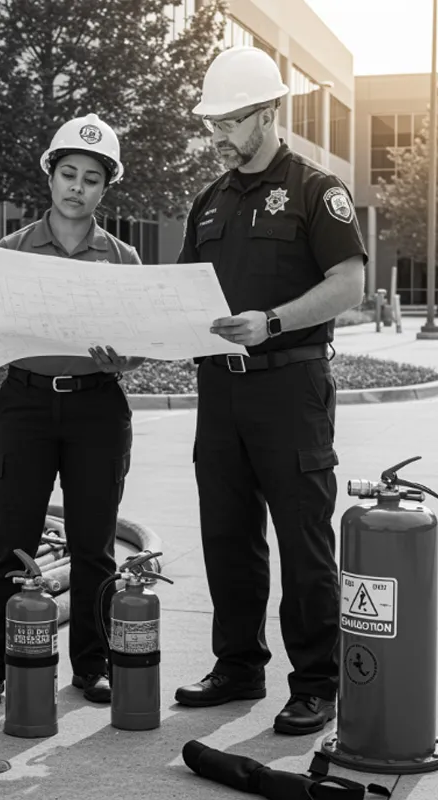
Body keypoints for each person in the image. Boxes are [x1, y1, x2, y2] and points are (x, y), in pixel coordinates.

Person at [173, 47, 367, 735]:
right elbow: (182, 293)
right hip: (219, 394)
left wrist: (273, 322)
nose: (218, 134)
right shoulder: (210, 200)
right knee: (227, 535)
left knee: (303, 541)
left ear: (267, 114)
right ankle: (238, 665)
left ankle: (317, 683)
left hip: (290, 390)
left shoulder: (317, 190)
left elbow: (350, 282)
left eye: (229, 121)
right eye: (212, 122)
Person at [0, 114, 144, 707]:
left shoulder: (123, 258)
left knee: (94, 545)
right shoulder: (10, 252)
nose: (77, 187)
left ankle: (92, 666)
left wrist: (125, 360)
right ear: (50, 176)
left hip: (97, 408)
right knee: (13, 540)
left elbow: (143, 344)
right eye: (68, 174)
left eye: (91, 178)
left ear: (104, 188)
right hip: (26, 405)